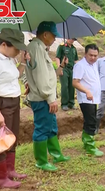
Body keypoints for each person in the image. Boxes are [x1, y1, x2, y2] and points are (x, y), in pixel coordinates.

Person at [25, 21, 70, 172]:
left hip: (45, 96)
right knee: (42, 128)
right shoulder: (36, 48)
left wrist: (61, 66)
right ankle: (41, 161)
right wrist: (50, 98)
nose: (54, 39)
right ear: (45, 34)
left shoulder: (40, 48)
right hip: (42, 98)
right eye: (53, 36)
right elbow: (41, 77)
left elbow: (48, 74)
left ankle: (56, 154)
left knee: (51, 127)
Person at [0, 28, 29, 189]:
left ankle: (10, 170)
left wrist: (23, 62)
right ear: (4, 44)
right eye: (16, 48)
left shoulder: (9, 59)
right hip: (2, 103)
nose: (18, 51)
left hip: (13, 101)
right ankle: (2, 177)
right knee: (2, 140)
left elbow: (15, 75)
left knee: (12, 136)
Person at [72, 44, 104, 157]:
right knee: (91, 122)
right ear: (85, 54)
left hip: (94, 99)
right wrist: (87, 91)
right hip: (86, 99)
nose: (93, 57)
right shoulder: (80, 66)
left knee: (90, 120)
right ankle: (90, 146)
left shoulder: (94, 64)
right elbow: (75, 82)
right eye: (91, 55)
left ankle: (87, 142)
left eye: (95, 55)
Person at [55, 38, 79, 111]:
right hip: (64, 68)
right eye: (71, 39)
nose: (72, 40)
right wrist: (60, 68)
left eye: (73, 39)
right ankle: (64, 104)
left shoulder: (74, 49)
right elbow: (57, 58)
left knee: (72, 86)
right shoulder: (62, 47)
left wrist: (78, 69)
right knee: (65, 86)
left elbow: (75, 60)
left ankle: (71, 103)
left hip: (72, 69)